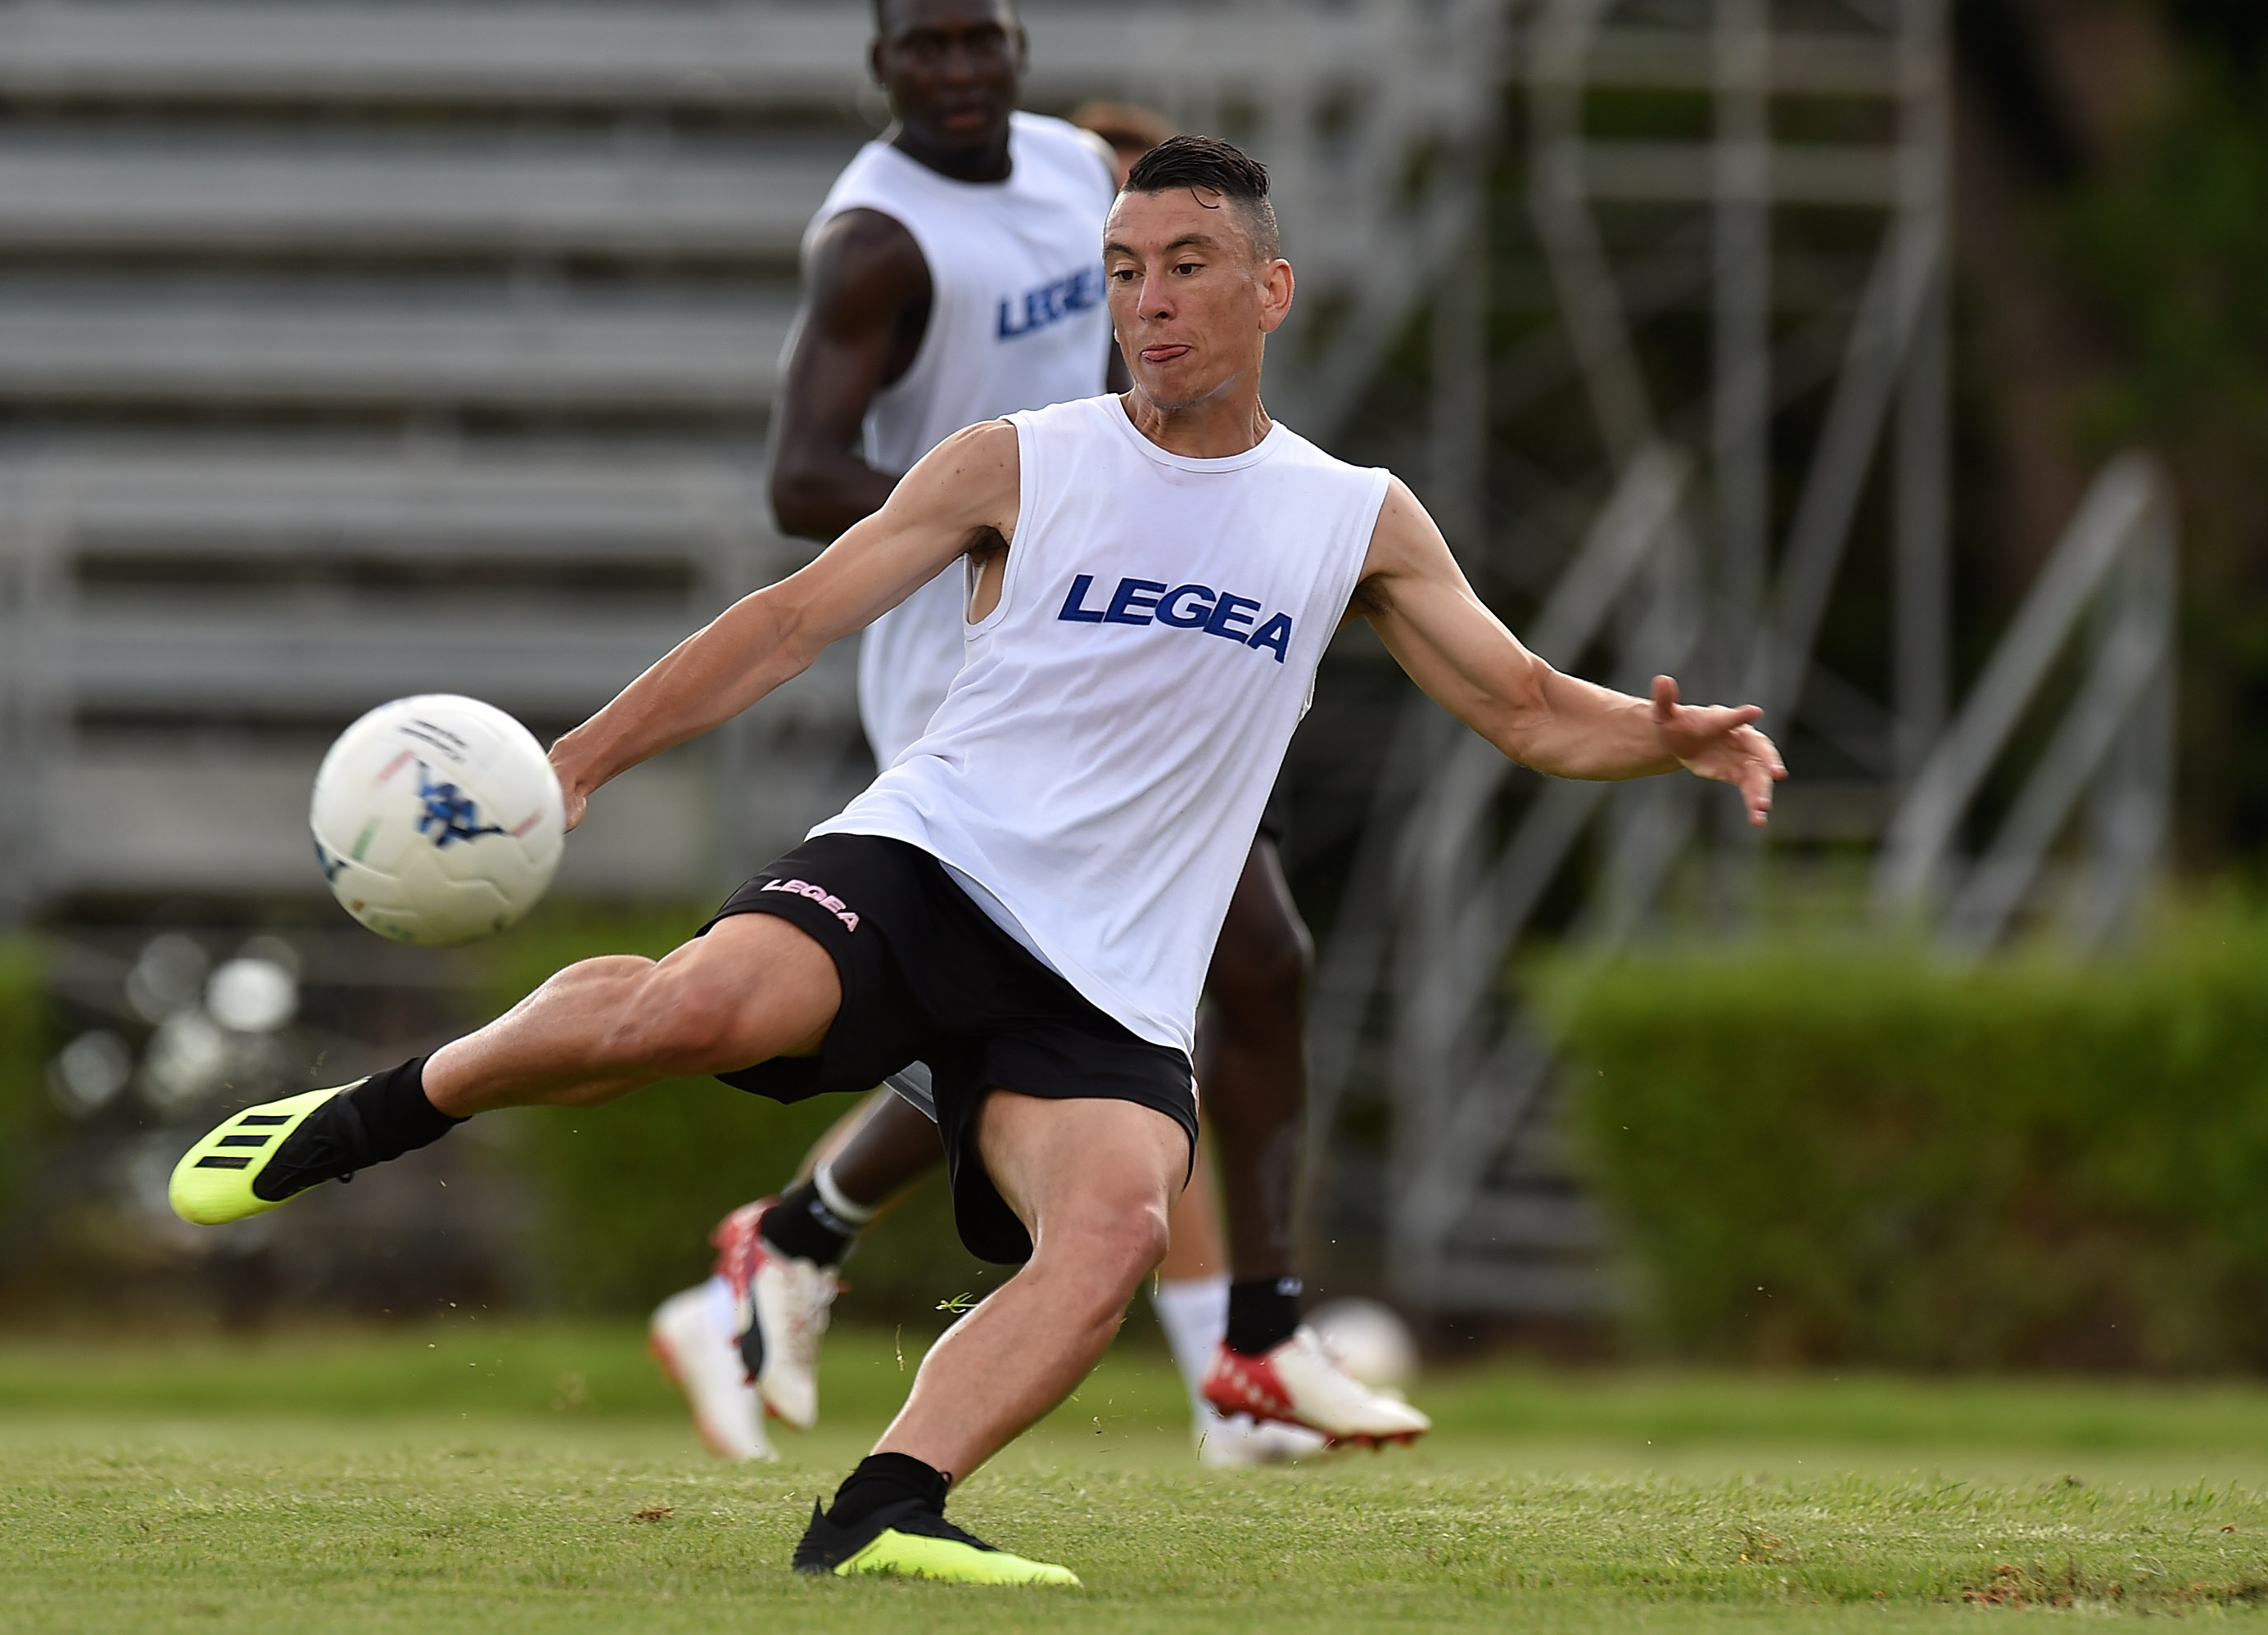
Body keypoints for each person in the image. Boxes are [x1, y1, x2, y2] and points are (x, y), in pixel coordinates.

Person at [172, 134, 1783, 1586]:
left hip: (1110, 975)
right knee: (695, 1015)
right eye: (1125, 274)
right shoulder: (1023, 460)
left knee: (1119, 1235)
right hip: (928, 867)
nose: (1150, 305)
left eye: (1189, 268)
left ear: (1272, 289)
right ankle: (361, 1115)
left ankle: (878, 1514)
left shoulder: (1351, 515)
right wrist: (584, 757)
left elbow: (1525, 708)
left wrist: (1671, 736)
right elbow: (792, 621)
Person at [644, 0, 1371, 1468]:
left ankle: (801, 1245)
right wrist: (1009, 516)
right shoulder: (878, 241)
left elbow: (1154, 252)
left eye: (985, 38)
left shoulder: (1072, 169)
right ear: (881, 63)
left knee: (1196, 974)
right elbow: (798, 478)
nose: (962, 70)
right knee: (1154, 983)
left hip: (1133, 628)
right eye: (929, 45)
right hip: (981, 651)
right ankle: (1244, 1353)